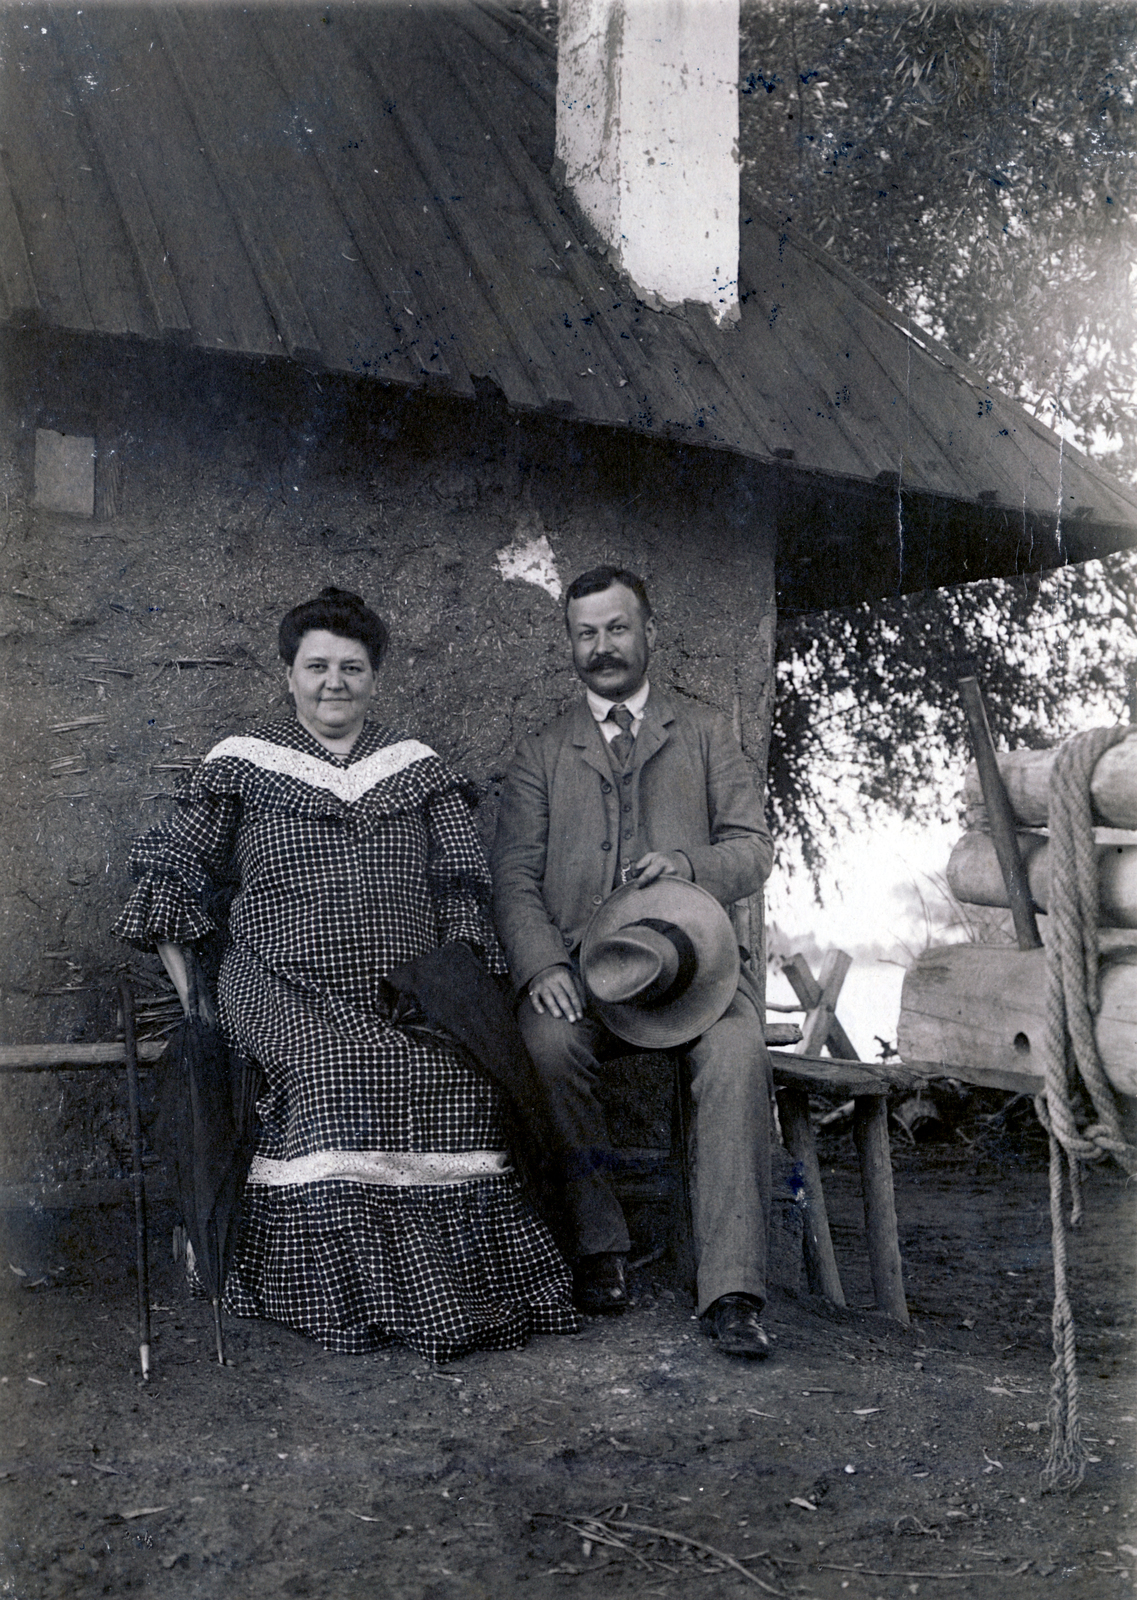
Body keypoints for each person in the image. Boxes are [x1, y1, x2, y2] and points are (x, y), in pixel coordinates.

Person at [114, 586, 578, 1363]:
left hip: (403, 991)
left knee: (454, 1081)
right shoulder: (244, 765)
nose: (334, 682)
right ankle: (338, 1290)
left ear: (374, 677)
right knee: (334, 1076)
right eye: (317, 666)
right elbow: (171, 869)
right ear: (289, 675)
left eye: (352, 668)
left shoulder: (416, 770)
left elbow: (461, 887)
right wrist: (195, 997)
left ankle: (441, 1288)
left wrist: (453, 980)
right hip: (276, 981)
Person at [491, 566, 776, 1357]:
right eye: (585, 633)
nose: (602, 647)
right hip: (588, 975)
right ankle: (600, 1248)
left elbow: (753, 850)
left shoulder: (705, 732)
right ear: (569, 645)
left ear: (649, 632)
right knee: (547, 1040)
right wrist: (543, 966)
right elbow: (513, 877)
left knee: (736, 1052)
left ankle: (732, 1290)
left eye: (616, 628)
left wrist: (690, 867)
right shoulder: (542, 752)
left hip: (695, 972)